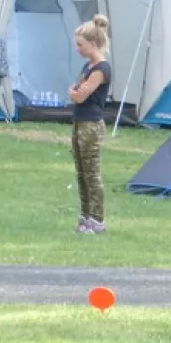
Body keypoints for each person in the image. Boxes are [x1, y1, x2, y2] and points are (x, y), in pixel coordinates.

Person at [66, 14, 112, 234]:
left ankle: (98, 219)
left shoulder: (101, 69)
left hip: (90, 125)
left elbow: (79, 95)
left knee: (92, 173)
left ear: (93, 44)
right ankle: (85, 216)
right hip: (79, 122)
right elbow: (77, 89)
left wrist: (73, 92)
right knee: (81, 172)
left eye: (80, 44)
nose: (77, 48)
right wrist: (75, 91)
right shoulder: (88, 67)